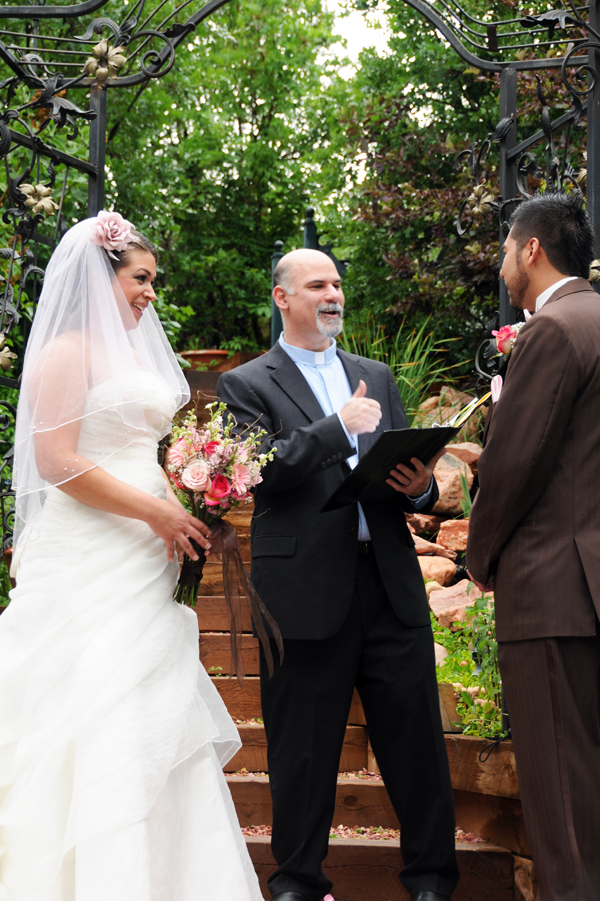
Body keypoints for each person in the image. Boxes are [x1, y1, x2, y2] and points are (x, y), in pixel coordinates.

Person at [0, 212, 262, 901]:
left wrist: (199, 497)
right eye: (141, 278)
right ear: (102, 274)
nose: (151, 292)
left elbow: (145, 452)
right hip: (90, 556)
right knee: (91, 707)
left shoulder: (134, 355)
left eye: (153, 280)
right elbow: (57, 461)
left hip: (150, 560)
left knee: (151, 712)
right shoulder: (68, 349)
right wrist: (158, 509)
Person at [217, 248, 459, 901]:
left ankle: (432, 881)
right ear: (281, 297)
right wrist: (336, 427)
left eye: (338, 284)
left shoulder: (375, 374)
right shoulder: (247, 383)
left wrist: (418, 485)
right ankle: (298, 881)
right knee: (301, 747)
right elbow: (256, 471)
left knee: (415, 741)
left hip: (387, 580)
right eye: (317, 284)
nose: (333, 294)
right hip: (302, 590)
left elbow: (412, 470)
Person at [467, 190, 600, 901]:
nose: (501, 266)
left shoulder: (553, 332)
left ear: (531, 250)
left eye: (504, 250)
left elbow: (516, 465)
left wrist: (477, 560)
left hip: (553, 592)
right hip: (592, 585)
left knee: (562, 811)